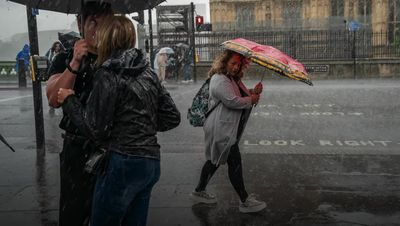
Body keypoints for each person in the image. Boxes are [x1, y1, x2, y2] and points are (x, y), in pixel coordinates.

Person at [57, 15, 180, 226]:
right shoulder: (148, 72)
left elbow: (95, 128)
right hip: (150, 162)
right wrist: (141, 126)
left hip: (122, 163)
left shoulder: (108, 72)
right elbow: (172, 117)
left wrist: (69, 100)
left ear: (107, 39)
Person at [45, 2, 114, 226]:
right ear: (80, 23)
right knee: (73, 214)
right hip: (77, 149)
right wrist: (75, 62)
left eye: (104, 23)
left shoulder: (118, 59)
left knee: (109, 214)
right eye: (92, 22)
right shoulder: (64, 58)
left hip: (113, 147)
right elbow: (54, 98)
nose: (98, 29)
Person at [190, 49, 266, 213]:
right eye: (233, 63)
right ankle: (244, 200)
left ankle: (199, 191)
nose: (236, 67)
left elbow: (240, 95)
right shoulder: (220, 79)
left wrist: (253, 91)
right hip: (221, 129)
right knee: (234, 162)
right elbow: (232, 100)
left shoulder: (232, 79)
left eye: (239, 64)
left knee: (214, 161)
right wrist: (250, 99)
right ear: (224, 63)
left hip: (226, 128)